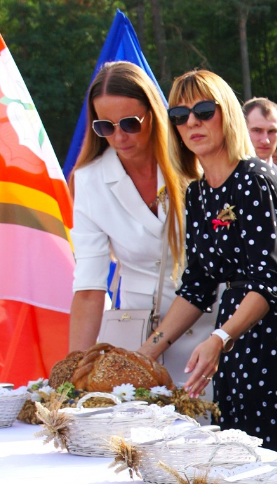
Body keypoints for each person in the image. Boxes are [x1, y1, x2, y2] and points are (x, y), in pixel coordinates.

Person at [136, 70, 277, 451]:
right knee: (242, 452)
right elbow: (197, 285)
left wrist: (220, 337)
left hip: (270, 333)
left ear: (225, 113)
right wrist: (146, 353)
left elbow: (270, 279)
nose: (191, 122)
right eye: (180, 115)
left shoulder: (255, 178)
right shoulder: (197, 194)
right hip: (233, 337)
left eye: (203, 110)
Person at [69, 62, 214, 376]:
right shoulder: (89, 180)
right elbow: (89, 287)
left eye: (130, 123)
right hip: (139, 334)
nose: (119, 136)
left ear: (154, 114)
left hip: (211, 331)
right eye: (105, 127)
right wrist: (74, 373)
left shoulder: (195, 162)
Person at [243, 97, 277, 183]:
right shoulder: (222, 178)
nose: (265, 141)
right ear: (242, 130)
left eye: (272, 131)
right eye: (257, 130)